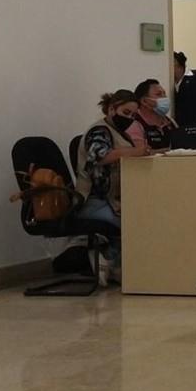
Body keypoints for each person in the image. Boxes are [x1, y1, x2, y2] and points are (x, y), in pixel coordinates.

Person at [75, 90, 151, 285]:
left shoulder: (120, 133)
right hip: (94, 200)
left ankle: (115, 263)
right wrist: (135, 152)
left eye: (133, 116)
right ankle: (108, 258)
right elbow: (100, 156)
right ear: (111, 108)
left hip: (114, 199)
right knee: (133, 222)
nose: (129, 119)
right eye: (126, 113)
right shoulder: (99, 131)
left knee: (144, 215)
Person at [127, 79, 177, 151]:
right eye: (158, 94)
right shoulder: (134, 123)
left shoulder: (171, 122)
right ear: (144, 101)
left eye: (164, 94)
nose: (164, 98)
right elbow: (139, 153)